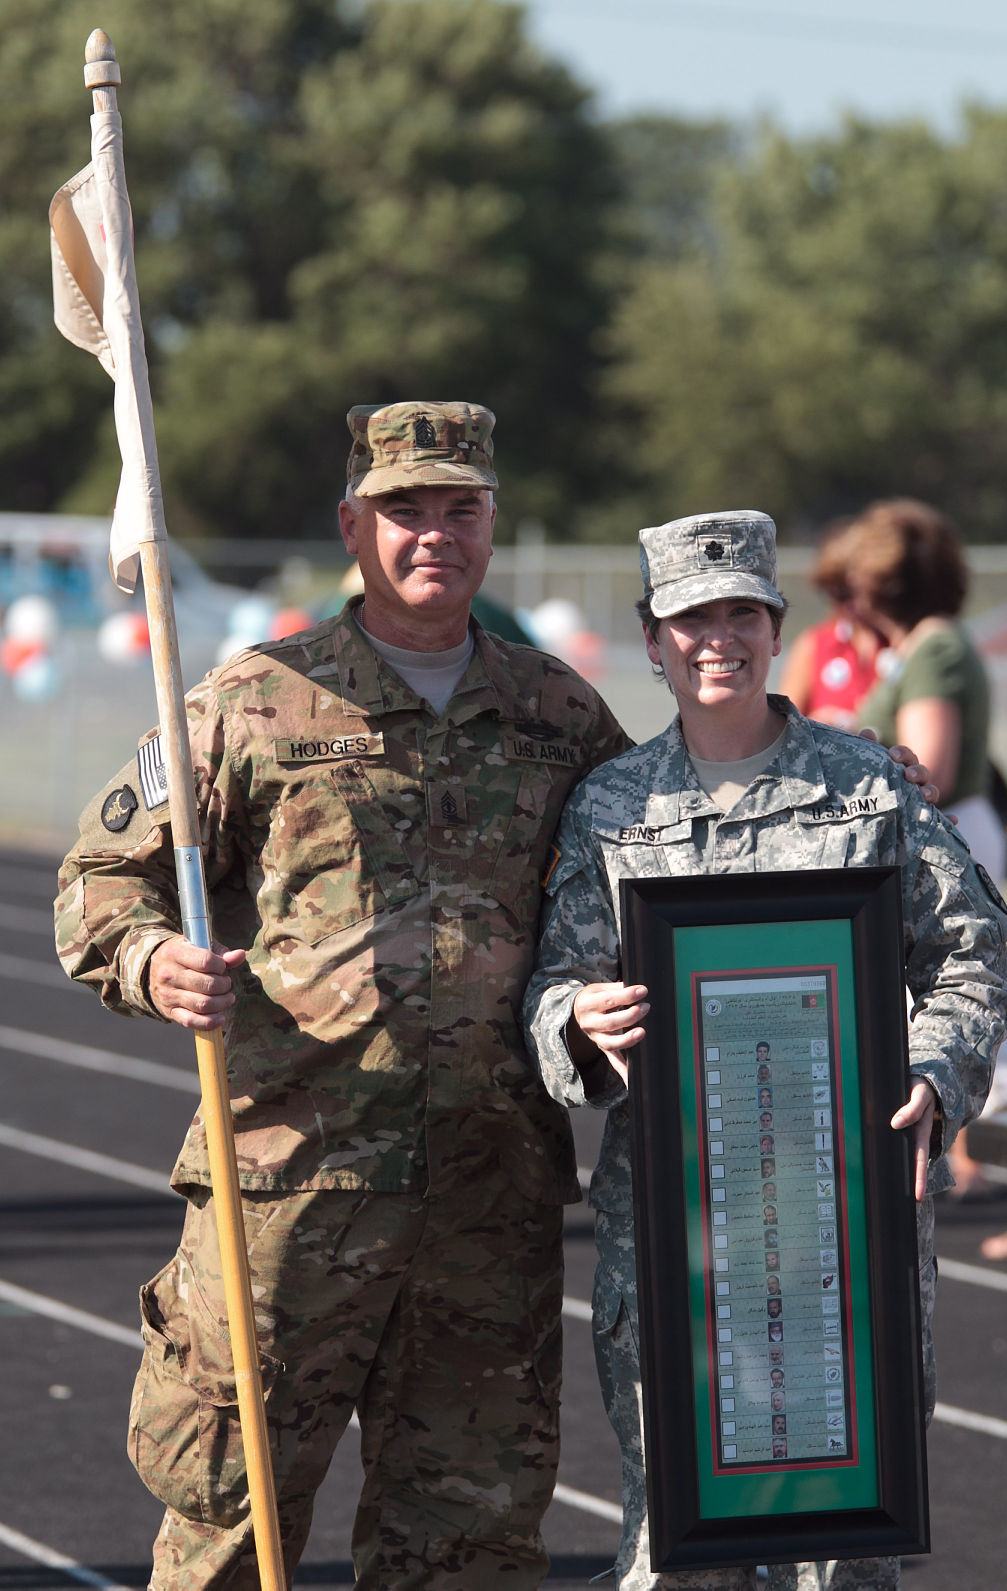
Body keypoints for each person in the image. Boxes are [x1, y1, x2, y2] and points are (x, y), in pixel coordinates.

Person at [53, 400, 632, 1590]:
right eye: (402, 509)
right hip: (286, 1196)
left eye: (458, 508)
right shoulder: (247, 701)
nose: (434, 534)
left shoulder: (558, 714)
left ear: (489, 522)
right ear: (350, 525)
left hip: (489, 1201)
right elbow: (100, 876)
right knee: (227, 1525)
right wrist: (150, 960)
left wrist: (820, 764)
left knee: (471, 1543)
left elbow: (661, 847)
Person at [523, 509, 1007, 1591]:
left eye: (739, 612)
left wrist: (935, 1072)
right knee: (678, 1552)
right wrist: (579, 1021)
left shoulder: (867, 785)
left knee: (839, 1556)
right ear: (651, 640)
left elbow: (970, 958)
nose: (716, 639)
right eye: (689, 618)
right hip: (672, 1238)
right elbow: (551, 990)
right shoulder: (609, 807)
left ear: (774, 626)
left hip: (842, 1231)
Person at [843, 497, 1007, 1254]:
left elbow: (932, 766)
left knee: (980, 1028)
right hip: (942, 836)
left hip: (943, 840)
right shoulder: (923, 646)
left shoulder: (935, 649)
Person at [778, 519, 889, 728]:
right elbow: (784, 727)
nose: (846, 602)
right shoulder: (815, 645)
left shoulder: (904, 643)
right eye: (835, 592)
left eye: (851, 592)